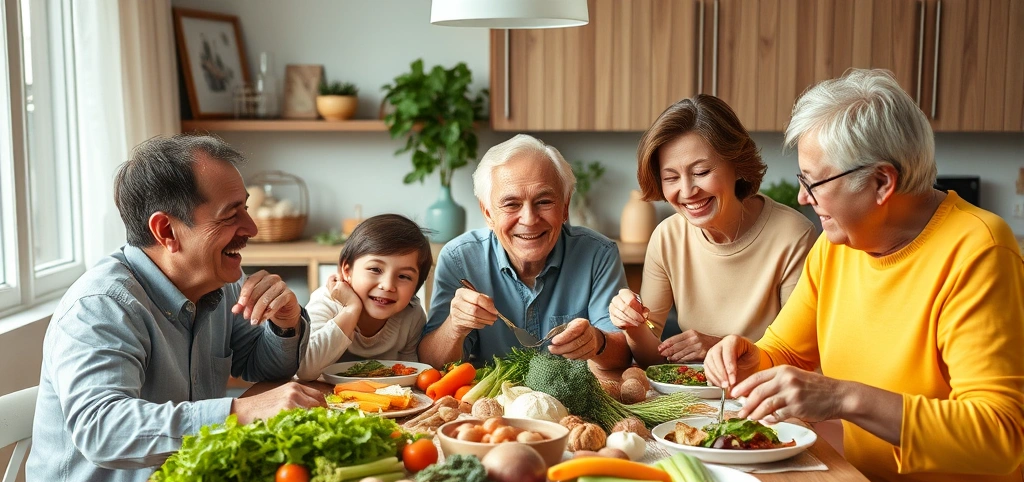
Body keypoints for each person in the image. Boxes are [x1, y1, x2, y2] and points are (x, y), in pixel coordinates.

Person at [704, 69, 1024, 482]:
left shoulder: (978, 250)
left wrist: (842, 397)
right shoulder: (840, 246)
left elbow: (1000, 435)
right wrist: (748, 356)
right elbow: (784, 352)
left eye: (814, 181)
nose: (803, 197)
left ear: (881, 182)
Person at [22, 134, 325, 482]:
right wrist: (240, 413)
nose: (252, 228)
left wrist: (285, 321)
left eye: (245, 207)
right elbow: (102, 430)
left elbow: (264, 366)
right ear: (167, 231)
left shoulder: (216, 286)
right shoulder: (102, 306)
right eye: (231, 214)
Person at [608, 95, 816, 366]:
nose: (687, 191)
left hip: (766, 398)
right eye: (671, 177)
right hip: (699, 401)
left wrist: (718, 347)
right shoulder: (667, 238)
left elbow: (799, 356)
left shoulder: (793, 235)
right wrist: (633, 325)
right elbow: (652, 358)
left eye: (702, 171)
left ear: (738, 165)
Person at [420, 134, 631, 370]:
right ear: (488, 213)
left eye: (543, 201)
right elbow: (431, 366)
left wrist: (597, 342)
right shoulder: (459, 259)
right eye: (511, 204)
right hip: (489, 402)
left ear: (565, 207)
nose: (529, 220)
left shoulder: (599, 254)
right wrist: (454, 327)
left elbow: (624, 357)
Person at [296, 214, 431, 380]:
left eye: (403, 276)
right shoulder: (326, 301)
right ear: (347, 271)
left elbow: (412, 375)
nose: (388, 285)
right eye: (375, 269)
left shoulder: (412, 314)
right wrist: (351, 309)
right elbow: (304, 369)